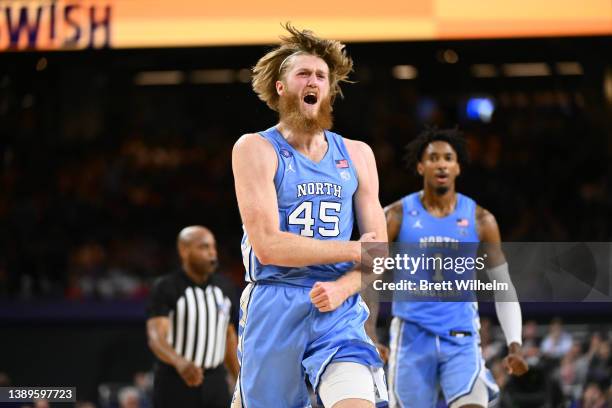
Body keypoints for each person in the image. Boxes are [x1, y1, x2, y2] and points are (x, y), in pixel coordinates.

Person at [231, 23, 388, 408]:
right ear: (282, 88)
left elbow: (380, 252)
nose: (313, 80)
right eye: (303, 73)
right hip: (274, 301)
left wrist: (344, 288)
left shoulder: (357, 154)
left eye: (321, 75)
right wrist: (353, 251)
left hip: (339, 310)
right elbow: (268, 246)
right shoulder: (255, 148)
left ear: (329, 90)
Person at [379, 128, 529, 407]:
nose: (441, 163)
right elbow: (366, 279)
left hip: (460, 338)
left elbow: (503, 286)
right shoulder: (395, 216)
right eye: (433, 157)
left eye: (448, 157)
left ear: (457, 167)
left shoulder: (482, 219)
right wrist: (368, 335)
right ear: (421, 166)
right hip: (411, 338)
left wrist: (515, 344)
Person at [146, 226, 240, 408]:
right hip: (175, 379)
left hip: (216, 381)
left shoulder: (225, 287)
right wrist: (179, 362)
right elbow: (156, 337)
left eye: (213, 247)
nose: (212, 253)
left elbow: (229, 336)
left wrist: (239, 379)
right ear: (184, 250)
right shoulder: (166, 287)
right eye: (204, 247)